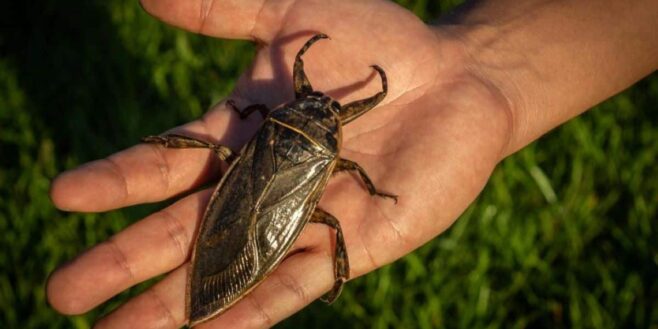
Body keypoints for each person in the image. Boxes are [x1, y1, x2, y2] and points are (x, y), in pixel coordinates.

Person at [46, 0, 658, 328]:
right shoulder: (323, 150)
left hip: (257, 181)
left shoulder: (276, 121)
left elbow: (274, 117)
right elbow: (342, 156)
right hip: (280, 191)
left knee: (233, 162)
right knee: (330, 223)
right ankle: (323, 277)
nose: (315, 102)